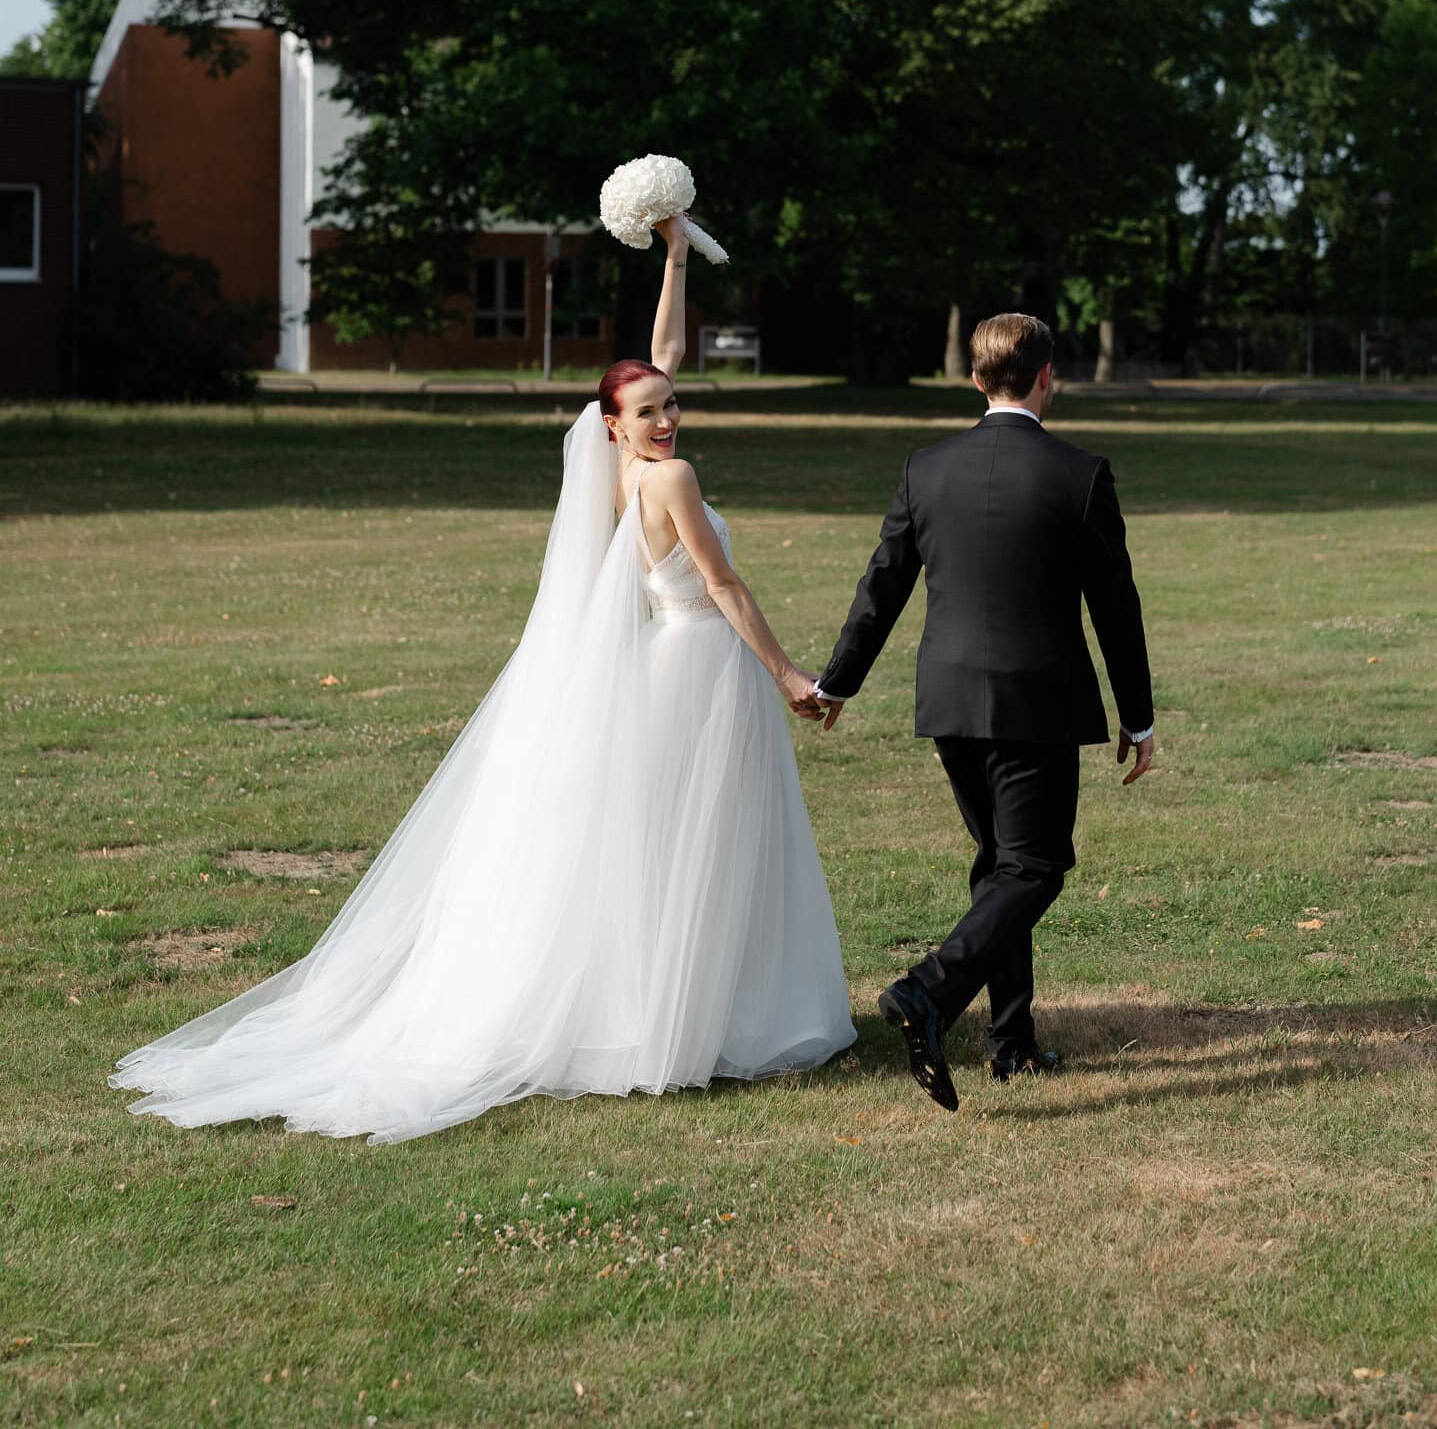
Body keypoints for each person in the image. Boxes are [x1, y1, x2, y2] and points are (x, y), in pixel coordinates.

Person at [112, 219, 853, 1140]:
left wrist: (672, 257)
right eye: (652, 411)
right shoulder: (674, 479)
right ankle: (692, 1025)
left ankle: (669, 1014)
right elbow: (725, 584)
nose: (668, 418)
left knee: (667, 847)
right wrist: (787, 674)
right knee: (701, 844)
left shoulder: (621, 467)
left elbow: (655, 357)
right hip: (702, 663)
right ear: (618, 425)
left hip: (668, 664)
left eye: (673, 405)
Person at [810, 312, 1155, 1111]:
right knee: (1035, 867)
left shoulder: (925, 469)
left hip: (951, 698)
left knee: (1000, 865)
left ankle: (1012, 1044)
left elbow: (881, 585)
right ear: (1046, 378)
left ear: (975, 380)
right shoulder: (1081, 473)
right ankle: (928, 992)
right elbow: (1117, 607)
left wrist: (838, 683)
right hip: (1036, 700)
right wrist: (1138, 717)